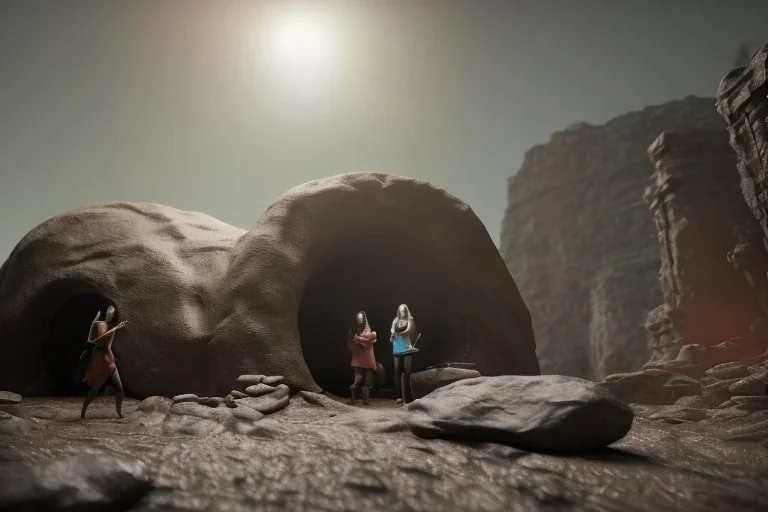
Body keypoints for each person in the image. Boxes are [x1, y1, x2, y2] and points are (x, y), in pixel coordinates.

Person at [81, 306, 128, 419]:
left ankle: (119, 413)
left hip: (109, 359)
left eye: (112, 313)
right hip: (99, 360)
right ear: (106, 313)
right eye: (109, 312)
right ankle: (83, 412)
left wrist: (115, 328)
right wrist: (115, 328)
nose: (110, 314)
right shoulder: (98, 324)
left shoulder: (113, 326)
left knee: (119, 388)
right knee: (94, 390)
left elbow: (108, 344)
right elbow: (95, 342)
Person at [390, 304, 419, 405]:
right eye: (400, 311)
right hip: (397, 346)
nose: (402, 313)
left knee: (408, 370)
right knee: (397, 370)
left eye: (404, 311)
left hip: (407, 347)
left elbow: (409, 330)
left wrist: (399, 333)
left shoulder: (410, 320)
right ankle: (398, 395)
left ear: (406, 311)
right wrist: (393, 335)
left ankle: (408, 395)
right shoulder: (395, 320)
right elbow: (392, 331)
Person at [347, 311, 377, 405]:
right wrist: (368, 338)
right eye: (358, 318)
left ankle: (366, 400)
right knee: (358, 379)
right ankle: (353, 397)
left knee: (368, 381)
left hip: (368, 356)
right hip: (358, 356)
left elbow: (371, 339)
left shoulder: (368, 329)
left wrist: (369, 337)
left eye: (361, 318)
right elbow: (354, 340)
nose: (359, 320)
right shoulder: (353, 330)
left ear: (364, 318)